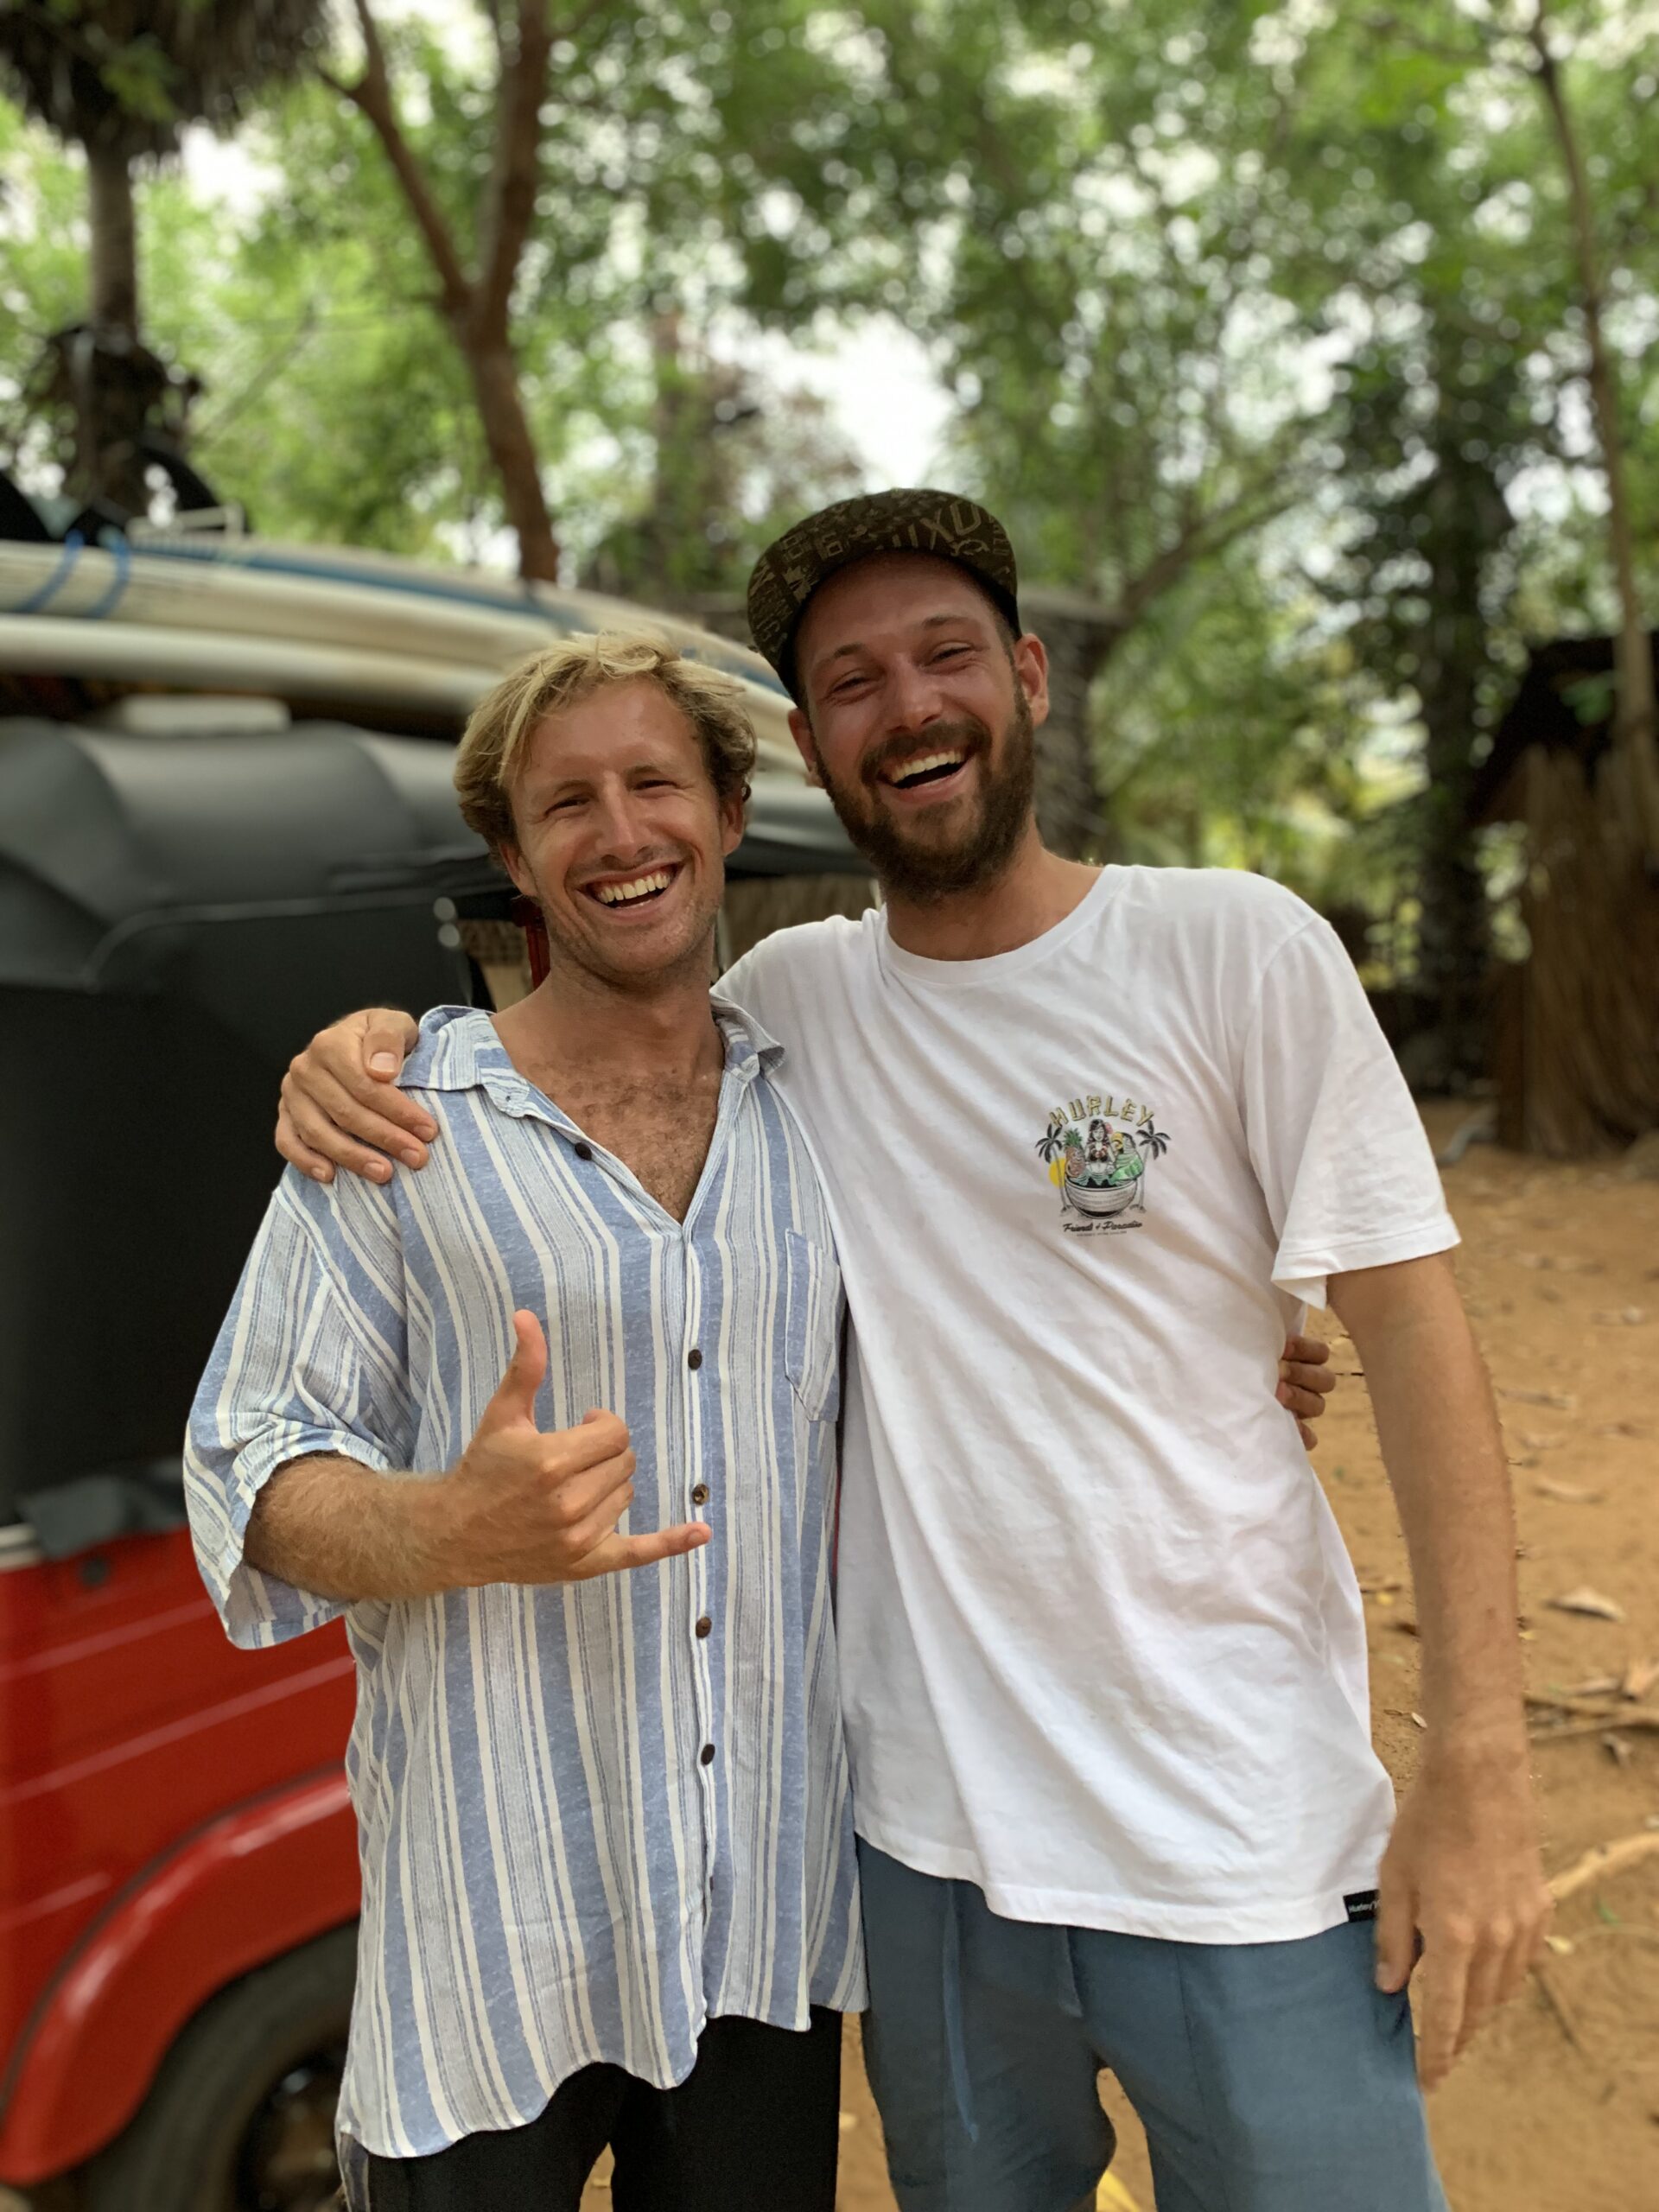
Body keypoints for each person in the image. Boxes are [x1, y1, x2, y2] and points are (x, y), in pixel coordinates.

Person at [272, 490, 1548, 2212]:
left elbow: (1411, 1339)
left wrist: (1478, 1763)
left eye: (947, 653)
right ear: (809, 746)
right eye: (855, 680)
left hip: (1242, 1835)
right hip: (932, 1871)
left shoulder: (1232, 945)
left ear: (1026, 678)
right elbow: (572, 1038)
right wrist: (364, 1049)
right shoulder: (787, 1010)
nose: (910, 703)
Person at [184, 637, 866, 2212]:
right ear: (513, 856)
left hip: (759, 1918)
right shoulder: (402, 1122)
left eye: (652, 785)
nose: (619, 832)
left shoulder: (819, 1104)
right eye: (567, 804)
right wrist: (440, 1526)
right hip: (496, 1938)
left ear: (728, 810)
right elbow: (246, 1461)